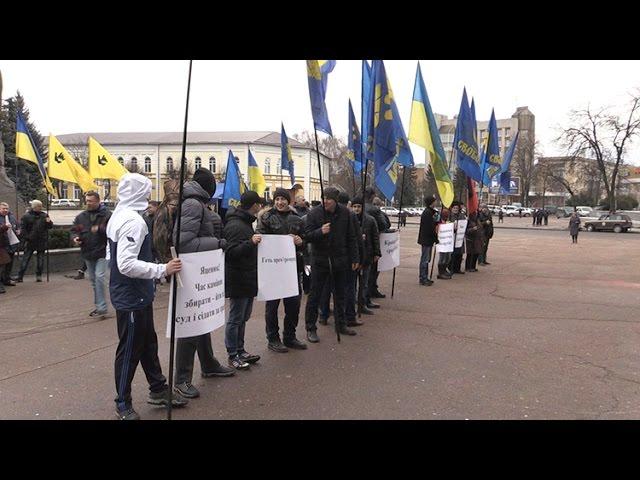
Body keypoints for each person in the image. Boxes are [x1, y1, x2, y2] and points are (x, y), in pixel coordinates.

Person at [106, 173, 188, 420]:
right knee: (130, 348)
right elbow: (126, 263)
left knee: (147, 343)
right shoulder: (133, 221)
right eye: (147, 190)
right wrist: (162, 269)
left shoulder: (119, 216)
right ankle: (123, 402)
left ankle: (158, 387)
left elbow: (112, 258)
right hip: (132, 295)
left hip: (136, 293)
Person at [173, 168, 235, 399]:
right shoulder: (192, 204)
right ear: (207, 187)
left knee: (202, 320)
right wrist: (217, 242)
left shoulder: (196, 203)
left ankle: (208, 364)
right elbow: (183, 242)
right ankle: (181, 380)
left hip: (199, 271)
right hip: (191, 272)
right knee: (190, 324)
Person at [304, 186, 359, 342]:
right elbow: (307, 235)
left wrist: (355, 258)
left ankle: (341, 324)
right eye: (323, 198)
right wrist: (320, 232)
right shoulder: (314, 213)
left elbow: (351, 237)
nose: (325, 201)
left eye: (328, 199)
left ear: (335, 200)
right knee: (315, 295)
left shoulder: (345, 213)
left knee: (340, 294)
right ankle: (311, 328)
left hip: (340, 260)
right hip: (320, 260)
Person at [256, 187, 308, 352]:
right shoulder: (266, 217)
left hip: (292, 269)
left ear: (289, 201)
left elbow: (306, 242)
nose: (280, 202)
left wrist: (301, 242)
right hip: (272, 270)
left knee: (293, 305)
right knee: (272, 306)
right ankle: (273, 338)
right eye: (277, 199)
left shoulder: (297, 219)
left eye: (283, 199)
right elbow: (260, 238)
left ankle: (290, 336)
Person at [223, 191, 264, 370]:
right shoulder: (235, 225)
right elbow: (230, 253)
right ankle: (233, 355)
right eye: (258, 203)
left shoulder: (246, 223)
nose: (260, 206)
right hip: (238, 278)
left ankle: (240, 350)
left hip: (247, 277)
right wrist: (250, 243)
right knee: (235, 318)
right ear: (253, 205)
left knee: (243, 317)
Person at [72, 191, 111, 318]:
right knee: (94, 280)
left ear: (98, 201)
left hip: (103, 251)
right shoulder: (81, 217)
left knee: (99, 277)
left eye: (91, 201)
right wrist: (75, 237)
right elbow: (74, 230)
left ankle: (101, 308)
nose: (88, 203)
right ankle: (99, 305)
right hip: (87, 252)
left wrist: (100, 229)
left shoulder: (107, 215)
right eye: (87, 200)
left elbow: (112, 231)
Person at [351, 196, 380, 316]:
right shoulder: (349, 219)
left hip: (366, 256)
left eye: (359, 206)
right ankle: (351, 306)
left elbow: (375, 237)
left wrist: (377, 252)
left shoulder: (370, 220)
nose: (357, 209)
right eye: (354, 207)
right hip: (352, 257)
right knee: (352, 285)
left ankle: (362, 304)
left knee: (364, 283)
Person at [16, 200, 53, 283]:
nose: (41, 208)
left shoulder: (44, 215)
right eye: (39, 206)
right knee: (25, 259)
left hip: (41, 240)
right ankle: (20, 276)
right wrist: (27, 237)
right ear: (34, 207)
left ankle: (39, 275)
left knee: (41, 260)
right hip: (30, 241)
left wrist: (49, 222)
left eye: (41, 206)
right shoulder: (26, 216)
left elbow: (50, 226)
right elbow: (23, 229)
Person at [365, 188, 391, 299]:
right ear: (372, 196)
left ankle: (368, 291)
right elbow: (385, 225)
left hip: (360, 243)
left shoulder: (356, 207)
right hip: (373, 243)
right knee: (373, 269)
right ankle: (370, 291)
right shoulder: (375, 210)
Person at [152, 192, 179, 264]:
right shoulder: (163, 213)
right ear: (166, 203)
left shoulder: (168, 212)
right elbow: (160, 238)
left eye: (177, 205)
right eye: (173, 205)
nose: (175, 207)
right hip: (163, 254)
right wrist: (163, 257)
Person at [417, 196, 438, 286]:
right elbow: (429, 228)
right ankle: (423, 277)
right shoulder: (427, 213)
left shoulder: (430, 212)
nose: (436, 203)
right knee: (425, 259)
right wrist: (435, 237)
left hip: (428, 239)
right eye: (434, 202)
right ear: (431, 203)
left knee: (426, 259)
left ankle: (425, 277)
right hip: (426, 240)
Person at [0, 202, 19, 288]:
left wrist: (18, 230)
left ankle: (7, 279)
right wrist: (4, 227)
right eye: (3, 208)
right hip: (2, 244)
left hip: (12, 243)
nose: (5, 210)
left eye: (7, 208)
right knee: (2, 264)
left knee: (9, 263)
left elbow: (17, 225)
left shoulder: (11, 216)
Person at [449, 201, 465, 275]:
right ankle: (451, 268)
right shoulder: (449, 216)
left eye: (457, 208)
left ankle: (457, 268)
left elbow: (464, 224)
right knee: (452, 254)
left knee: (459, 254)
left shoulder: (461, 215)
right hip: (452, 237)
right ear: (451, 208)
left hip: (460, 237)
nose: (455, 209)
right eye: (454, 208)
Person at [436, 207, 452, 280]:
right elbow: (437, 231)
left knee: (448, 257)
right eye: (445, 216)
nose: (446, 217)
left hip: (448, 243)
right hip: (442, 243)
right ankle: (440, 272)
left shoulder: (448, 222)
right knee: (442, 258)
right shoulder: (439, 223)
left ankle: (444, 269)